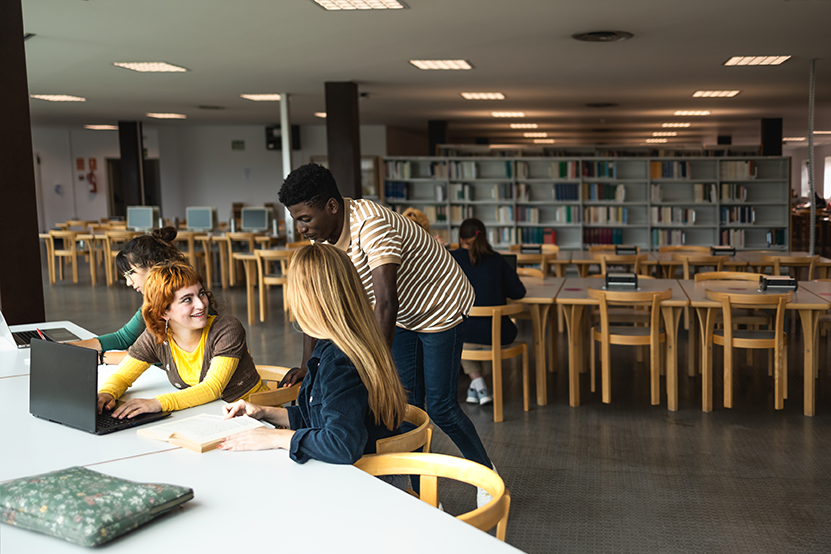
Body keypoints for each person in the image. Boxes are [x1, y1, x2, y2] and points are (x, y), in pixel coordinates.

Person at [277, 163, 492, 474]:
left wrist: (373, 365)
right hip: (403, 315)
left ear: (332, 206)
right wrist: (306, 364)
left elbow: (386, 302)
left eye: (305, 219)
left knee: (441, 407)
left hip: (439, 305)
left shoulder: (371, 224)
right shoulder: (320, 236)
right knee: (406, 407)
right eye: (296, 220)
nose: (301, 228)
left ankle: (486, 472)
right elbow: (317, 304)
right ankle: (419, 491)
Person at [218, 244, 408, 464]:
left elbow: (341, 444)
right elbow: (320, 417)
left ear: (309, 300)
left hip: (371, 477)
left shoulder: (340, 360)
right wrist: (264, 412)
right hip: (366, 469)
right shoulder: (345, 343)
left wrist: (275, 436)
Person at [96, 261, 266, 418]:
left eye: (201, 294)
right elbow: (123, 376)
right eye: (187, 299)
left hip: (259, 419)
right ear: (163, 312)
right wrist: (107, 393)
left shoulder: (226, 329)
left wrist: (158, 403)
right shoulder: (158, 336)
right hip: (215, 418)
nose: (201, 304)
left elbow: (212, 388)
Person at [70, 227, 186, 366]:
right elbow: (123, 338)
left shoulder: (183, 299)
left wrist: (101, 358)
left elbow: (159, 355)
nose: (128, 282)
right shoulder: (154, 300)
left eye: (130, 273)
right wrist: (70, 346)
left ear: (150, 264)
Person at [450, 219, 526, 405]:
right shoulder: (498, 259)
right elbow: (519, 292)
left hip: (464, 335)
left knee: (456, 334)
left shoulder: (451, 257)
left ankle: (477, 383)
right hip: (497, 334)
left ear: (461, 239)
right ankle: (480, 384)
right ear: (484, 236)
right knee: (486, 337)